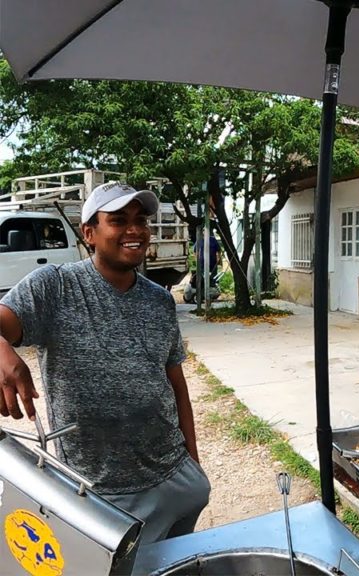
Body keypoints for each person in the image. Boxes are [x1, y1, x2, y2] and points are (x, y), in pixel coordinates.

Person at [0, 182, 210, 544]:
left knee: (172, 564)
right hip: (98, 490)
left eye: (140, 220)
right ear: (89, 233)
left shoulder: (159, 300)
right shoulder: (55, 287)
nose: (135, 230)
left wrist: (193, 461)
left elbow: (176, 385)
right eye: (118, 220)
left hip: (173, 475)